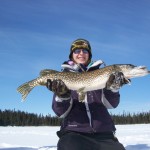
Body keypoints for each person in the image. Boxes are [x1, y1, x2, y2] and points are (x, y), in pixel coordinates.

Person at [46, 39, 127, 150]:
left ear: (89, 54)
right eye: (77, 51)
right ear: (71, 55)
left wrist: (113, 89)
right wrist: (62, 96)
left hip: (104, 133)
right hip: (74, 133)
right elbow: (60, 113)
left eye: (85, 51)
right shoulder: (63, 76)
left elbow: (111, 105)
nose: (81, 53)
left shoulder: (103, 74)